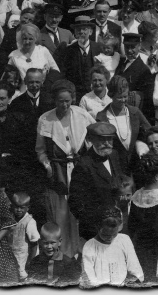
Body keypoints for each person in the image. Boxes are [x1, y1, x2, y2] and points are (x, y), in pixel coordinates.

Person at [36, 80, 94, 258]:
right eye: (61, 101)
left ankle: (80, 253)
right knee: (61, 214)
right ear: (54, 100)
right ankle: (63, 255)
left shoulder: (81, 114)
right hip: (58, 173)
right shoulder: (46, 119)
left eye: (68, 101)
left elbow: (91, 139)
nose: (64, 104)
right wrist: (48, 167)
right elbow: (40, 150)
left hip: (79, 171)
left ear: (73, 99)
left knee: (78, 213)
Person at [81, 206, 143, 287]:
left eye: (114, 234)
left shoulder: (124, 240)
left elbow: (134, 266)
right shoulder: (89, 246)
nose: (110, 238)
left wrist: (134, 278)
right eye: (105, 235)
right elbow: (89, 275)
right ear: (98, 228)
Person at [7, 192, 39, 281]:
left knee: (22, 277)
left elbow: (34, 244)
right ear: (12, 206)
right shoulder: (10, 218)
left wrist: (30, 262)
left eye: (22, 208)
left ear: (28, 208)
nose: (19, 210)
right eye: (16, 207)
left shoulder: (29, 222)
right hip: (11, 255)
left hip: (23, 257)